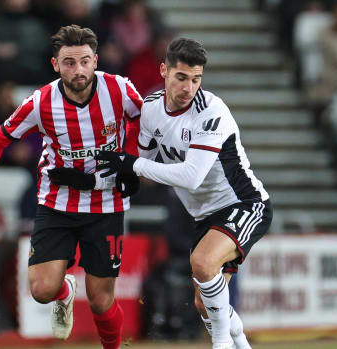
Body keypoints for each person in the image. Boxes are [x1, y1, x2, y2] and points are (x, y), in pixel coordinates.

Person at [0, 25, 142, 349]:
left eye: (83, 61)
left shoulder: (119, 89)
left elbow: (145, 121)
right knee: (41, 291)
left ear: (95, 60)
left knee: (100, 300)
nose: (78, 70)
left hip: (105, 204)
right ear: (54, 64)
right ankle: (64, 291)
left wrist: (129, 160)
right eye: (68, 62)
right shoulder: (41, 102)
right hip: (57, 202)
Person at [95, 38, 272, 349]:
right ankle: (241, 343)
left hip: (244, 203)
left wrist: (132, 165)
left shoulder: (211, 111)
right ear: (164, 71)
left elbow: (190, 177)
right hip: (205, 215)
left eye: (196, 79)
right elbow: (145, 166)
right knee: (206, 304)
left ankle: (221, 345)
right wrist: (113, 174)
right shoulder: (151, 108)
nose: (189, 87)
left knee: (202, 263)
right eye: (181, 77)